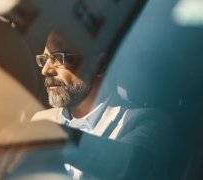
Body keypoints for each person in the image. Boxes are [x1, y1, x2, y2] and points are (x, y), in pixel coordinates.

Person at [31, 29, 174, 179]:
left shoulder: (148, 121)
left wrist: (59, 137)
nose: (46, 70)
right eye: (44, 59)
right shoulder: (41, 120)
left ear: (100, 64)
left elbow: (131, 165)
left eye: (59, 58)